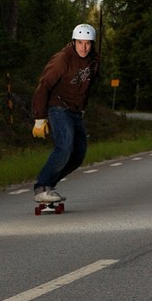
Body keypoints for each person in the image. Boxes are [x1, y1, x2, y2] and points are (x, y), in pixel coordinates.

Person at [31, 23, 100, 204]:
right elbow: (43, 86)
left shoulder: (94, 60)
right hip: (58, 107)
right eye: (80, 43)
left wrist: (82, 108)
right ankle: (41, 187)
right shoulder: (62, 59)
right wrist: (39, 117)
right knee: (65, 146)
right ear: (73, 42)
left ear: (92, 44)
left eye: (88, 43)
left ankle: (49, 186)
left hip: (75, 110)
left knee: (78, 155)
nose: (84, 47)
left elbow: (86, 88)